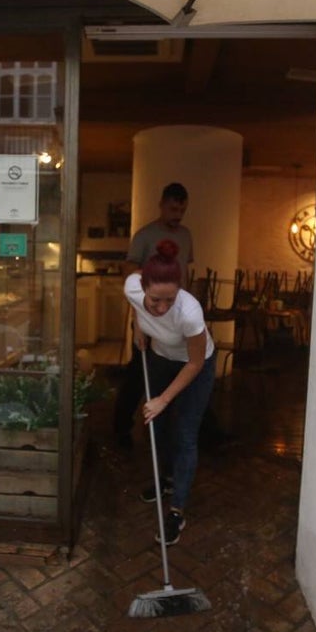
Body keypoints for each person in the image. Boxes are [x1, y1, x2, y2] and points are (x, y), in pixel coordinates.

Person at [125, 239, 215, 546]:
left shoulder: (190, 313)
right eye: (155, 301)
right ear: (143, 288)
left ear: (180, 291)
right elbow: (137, 306)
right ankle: (164, 480)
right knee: (156, 425)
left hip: (194, 365)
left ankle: (177, 510)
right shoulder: (132, 288)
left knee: (185, 434)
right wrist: (139, 327)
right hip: (161, 357)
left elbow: (196, 361)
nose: (161, 308)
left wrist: (165, 399)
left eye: (169, 300)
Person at [112, 182, 193, 447]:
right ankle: (121, 429)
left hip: (174, 316)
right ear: (161, 204)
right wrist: (137, 321)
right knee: (138, 373)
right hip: (146, 315)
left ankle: (169, 431)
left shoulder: (186, 235)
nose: (177, 214)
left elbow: (186, 274)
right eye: (172, 208)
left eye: (181, 209)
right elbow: (130, 276)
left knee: (177, 369)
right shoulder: (145, 235)